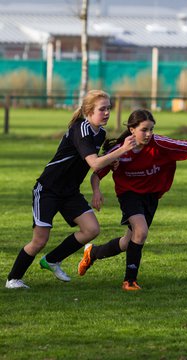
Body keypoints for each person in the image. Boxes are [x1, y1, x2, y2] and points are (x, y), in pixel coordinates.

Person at [78, 109, 187, 291]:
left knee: (127, 241)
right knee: (141, 231)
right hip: (128, 194)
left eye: (151, 129)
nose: (149, 134)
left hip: (151, 197)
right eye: (144, 130)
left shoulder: (161, 144)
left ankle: (93, 252)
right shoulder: (120, 150)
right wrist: (96, 191)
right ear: (132, 130)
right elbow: (97, 174)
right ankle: (129, 281)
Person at [5, 90, 137, 289]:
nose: (108, 112)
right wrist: (122, 150)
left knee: (91, 229)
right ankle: (13, 279)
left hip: (69, 192)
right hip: (48, 189)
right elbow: (94, 163)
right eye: (103, 109)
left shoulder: (100, 134)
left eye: (109, 108)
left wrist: (112, 163)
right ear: (89, 111)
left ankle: (52, 260)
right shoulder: (81, 129)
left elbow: (97, 163)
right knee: (40, 239)